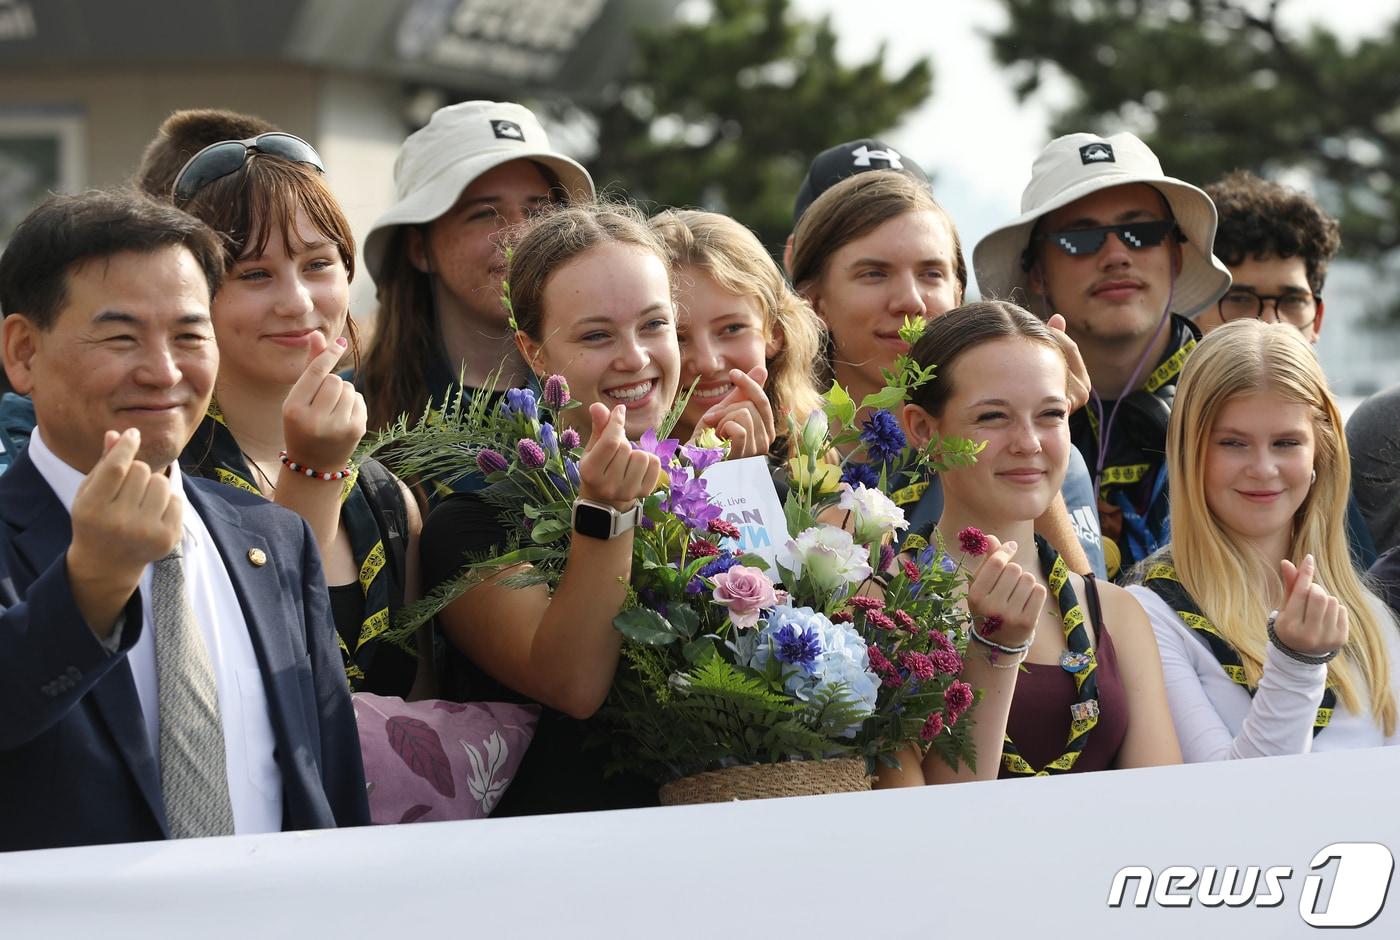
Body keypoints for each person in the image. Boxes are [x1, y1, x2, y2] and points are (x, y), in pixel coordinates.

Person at [0, 189, 368, 851]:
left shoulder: (273, 538)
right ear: (24, 351)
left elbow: (333, 786)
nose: (165, 371)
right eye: (121, 337)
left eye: (190, 336)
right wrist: (90, 586)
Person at [419, 201, 673, 815]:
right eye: (596, 335)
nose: (635, 358)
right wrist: (605, 514)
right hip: (556, 866)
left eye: (655, 325)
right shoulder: (472, 518)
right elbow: (574, 685)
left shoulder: (717, 484)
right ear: (534, 354)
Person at [161, 117, 428, 698]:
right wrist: (312, 472)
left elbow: (421, 704)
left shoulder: (389, 501)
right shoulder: (162, 481)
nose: (298, 301)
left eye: (317, 264)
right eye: (255, 274)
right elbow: (254, 676)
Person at [892, 302, 1179, 783]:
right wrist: (993, 655)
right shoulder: (880, 608)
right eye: (993, 417)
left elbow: (1165, 809)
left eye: (1050, 414)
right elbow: (927, 830)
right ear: (923, 428)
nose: (1028, 442)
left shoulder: (1116, 613)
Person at [790, 169, 1104, 575]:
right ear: (814, 302)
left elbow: (1090, 625)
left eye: (931, 274)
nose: (910, 301)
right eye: (874, 273)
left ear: (958, 294)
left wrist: (1041, 463)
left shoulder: (1026, 454)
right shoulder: (773, 458)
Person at [1126, 320, 1400, 760]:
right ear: (1190, 452)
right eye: (1233, 443)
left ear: (1320, 453)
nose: (1263, 468)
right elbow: (1232, 807)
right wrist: (1295, 667)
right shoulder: (1148, 615)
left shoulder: (1369, 617)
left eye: (1286, 442)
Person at [974, 132, 1233, 579]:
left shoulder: (1247, 396)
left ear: (1175, 256)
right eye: (1081, 238)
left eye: (1142, 232)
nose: (1116, 255)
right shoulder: (978, 421)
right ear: (1036, 272)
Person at [356, 101, 592, 495]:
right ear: (419, 248)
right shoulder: (352, 410)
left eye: (538, 211)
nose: (519, 234)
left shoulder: (606, 387)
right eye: (485, 213)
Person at [1202, 170, 1375, 566]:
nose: (1269, 322)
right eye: (1241, 300)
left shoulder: (1331, 452)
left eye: (1291, 301)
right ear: (1195, 307)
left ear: (1317, 318)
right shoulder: (1146, 431)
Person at [650, 208, 824, 455]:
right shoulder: (598, 479)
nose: (707, 363)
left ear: (774, 332)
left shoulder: (815, 468)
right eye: (677, 337)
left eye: (732, 329)